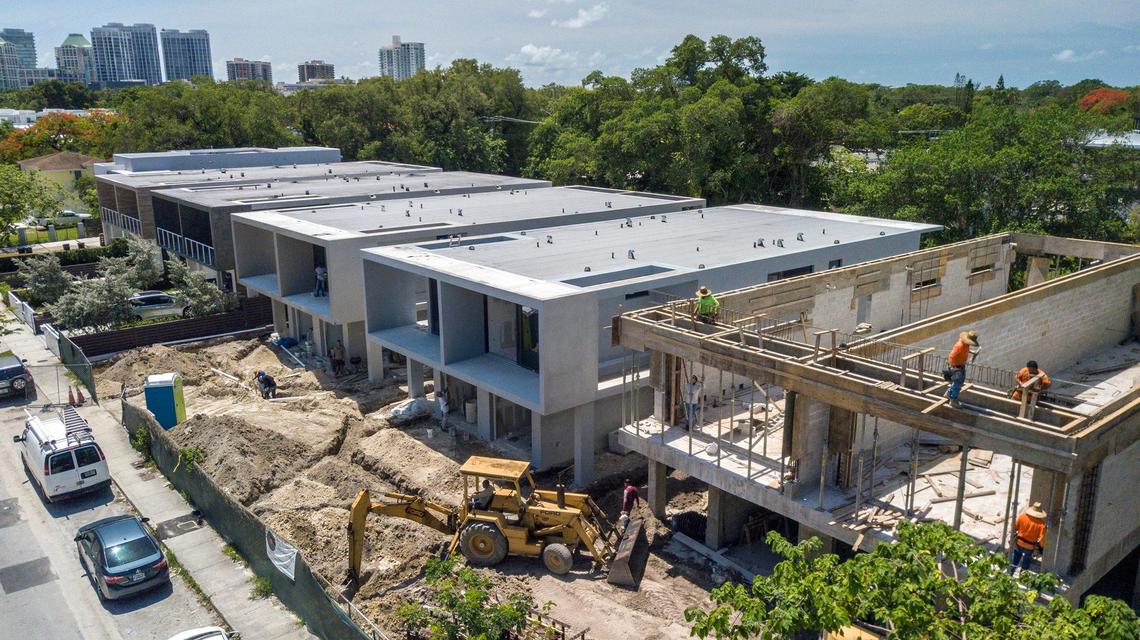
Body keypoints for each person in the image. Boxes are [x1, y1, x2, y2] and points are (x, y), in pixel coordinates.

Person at [1010, 502, 1047, 576]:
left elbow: (1014, 528)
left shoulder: (1022, 517)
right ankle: (1023, 577)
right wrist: (1042, 547)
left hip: (1019, 542)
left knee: (1015, 558)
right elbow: (1042, 539)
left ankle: (1010, 572)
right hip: (1029, 546)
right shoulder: (1042, 524)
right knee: (1026, 561)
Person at [945, 330, 980, 408]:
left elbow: (966, 350)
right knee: (957, 384)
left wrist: (972, 352)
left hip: (959, 366)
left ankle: (948, 393)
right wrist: (955, 368)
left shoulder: (965, 345)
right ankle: (953, 400)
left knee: (957, 383)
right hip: (957, 367)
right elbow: (952, 356)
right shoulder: (960, 346)